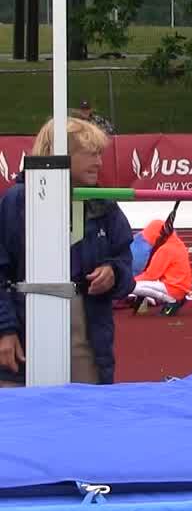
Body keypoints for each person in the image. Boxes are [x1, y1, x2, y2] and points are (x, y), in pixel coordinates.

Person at [0, 117, 134, 386]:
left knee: (86, 417)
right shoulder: (16, 203)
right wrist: (5, 330)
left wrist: (113, 272)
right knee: (23, 420)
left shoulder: (102, 203)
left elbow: (124, 262)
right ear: (60, 155)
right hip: (25, 336)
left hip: (86, 334)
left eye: (100, 154)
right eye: (91, 154)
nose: (99, 162)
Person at [131, 218, 192, 316]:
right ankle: (174, 299)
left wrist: (130, 281)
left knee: (131, 286)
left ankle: (171, 301)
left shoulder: (165, 250)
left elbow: (151, 276)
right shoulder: (178, 244)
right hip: (182, 287)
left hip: (173, 288)